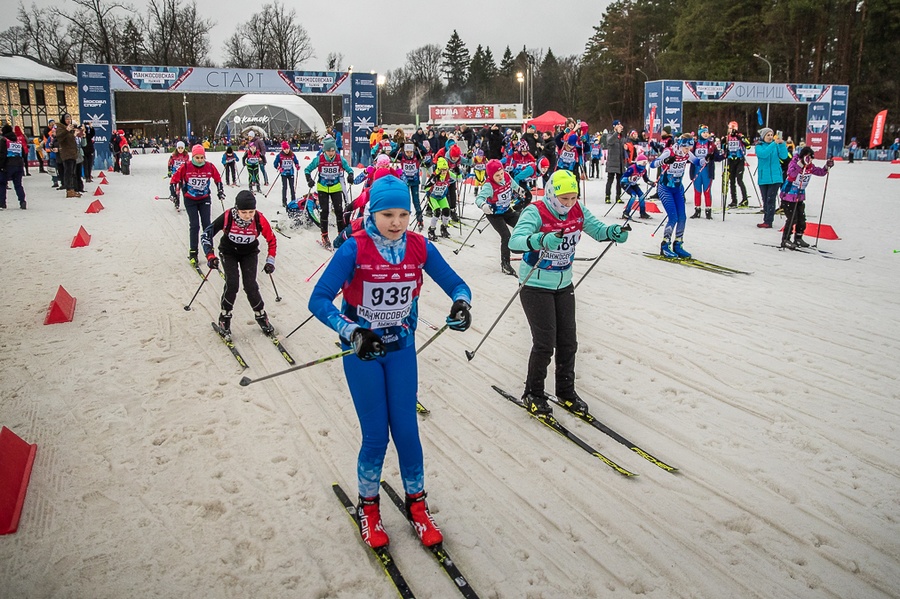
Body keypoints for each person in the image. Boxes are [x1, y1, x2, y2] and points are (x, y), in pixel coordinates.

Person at [308, 175, 472, 549]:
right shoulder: (354, 249)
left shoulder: (419, 246)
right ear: (372, 212)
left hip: (400, 350)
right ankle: (369, 508)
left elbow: (458, 285)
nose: (396, 222)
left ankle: (417, 505)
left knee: (407, 431)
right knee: (376, 436)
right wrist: (352, 332)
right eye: (387, 214)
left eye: (403, 214)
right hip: (363, 352)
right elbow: (318, 300)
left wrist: (461, 304)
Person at [508, 170, 629, 417]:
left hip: (564, 284)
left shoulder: (578, 211)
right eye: (564, 199)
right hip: (535, 285)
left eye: (573, 197)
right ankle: (533, 392)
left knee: (568, 342)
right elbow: (515, 241)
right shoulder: (536, 211)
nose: (569, 204)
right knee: (544, 343)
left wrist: (613, 232)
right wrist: (541, 240)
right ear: (552, 194)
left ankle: (566, 391)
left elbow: (597, 230)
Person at [202, 190, 277, 339]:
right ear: (237, 209)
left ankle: (261, 315)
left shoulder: (259, 219)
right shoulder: (228, 216)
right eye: (244, 212)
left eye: (251, 211)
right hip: (228, 252)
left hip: (249, 253)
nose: (248, 215)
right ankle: (225, 317)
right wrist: (210, 255)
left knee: (250, 285)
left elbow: (272, 240)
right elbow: (206, 234)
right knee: (232, 283)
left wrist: (270, 261)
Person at [650, 134, 704, 258]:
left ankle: (678, 244)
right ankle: (665, 245)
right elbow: (653, 164)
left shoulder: (687, 154)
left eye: (690, 147)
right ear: (680, 145)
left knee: (682, 217)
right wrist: (665, 161)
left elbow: (696, 161)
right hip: (665, 188)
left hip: (678, 189)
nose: (688, 150)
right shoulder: (669, 151)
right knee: (673, 217)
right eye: (686, 147)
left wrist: (705, 159)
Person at [170, 144, 225, 264]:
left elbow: (217, 179)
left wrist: (220, 191)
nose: (200, 160)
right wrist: (174, 194)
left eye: (202, 157)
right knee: (194, 225)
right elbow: (173, 180)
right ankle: (193, 252)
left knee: (207, 225)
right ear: (193, 157)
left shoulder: (209, 166)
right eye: (197, 157)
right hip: (190, 199)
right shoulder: (186, 167)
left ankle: (209, 251)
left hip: (204, 198)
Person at [304, 137, 355, 249]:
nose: (331, 153)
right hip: (322, 188)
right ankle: (325, 236)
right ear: (324, 150)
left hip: (336, 188)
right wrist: (309, 179)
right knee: (324, 211)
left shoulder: (339, 159)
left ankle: (340, 235)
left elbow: (349, 169)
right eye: (328, 151)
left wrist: (350, 175)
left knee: (338, 211)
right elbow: (307, 169)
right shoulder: (319, 159)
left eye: (333, 150)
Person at [476, 159, 524, 276]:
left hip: (506, 210)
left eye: (501, 173)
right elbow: (479, 199)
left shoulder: (506, 176)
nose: (501, 177)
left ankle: (527, 250)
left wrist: (520, 190)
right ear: (491, 176)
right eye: (497, 175)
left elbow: (514, 185)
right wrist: (484, 205)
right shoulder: (489, 185)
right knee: (506, 235)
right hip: (494, 214)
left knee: (523, 224)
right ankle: (505, 264)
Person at [779, 146, 833, 249]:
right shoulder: (794, 163)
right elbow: (791, 174)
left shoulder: (810, 167)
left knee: (801, 218)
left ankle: (798, 238)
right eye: (808, 158)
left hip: (799, 196)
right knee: (792, 219)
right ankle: (785, 239)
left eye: (812, 159)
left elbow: (820, 172)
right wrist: (800, 164)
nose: (810, 161)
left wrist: (827, 167)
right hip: (788, 196)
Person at [754, 127, 789, 229]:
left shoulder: (776, 145)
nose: (770, 137)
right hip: (763, 177)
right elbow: (763, 154)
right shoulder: (759, 146)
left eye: (771, 135)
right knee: (765, 199)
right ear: (763, 137)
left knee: (771, 199)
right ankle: (766, 218)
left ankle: (768, 221)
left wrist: (782, 144)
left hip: (775, 177)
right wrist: (774, 144)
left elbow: (784, 156)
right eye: (767, 135)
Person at [688, 125, 723, 220]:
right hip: (696, 170)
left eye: (707, 132)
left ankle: (708, 211)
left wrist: (722, 155)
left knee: (707, 191)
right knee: (697, 191)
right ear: (699, 133)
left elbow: (718, 157)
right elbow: (689, 156)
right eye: (703, 132)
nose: (705, 134)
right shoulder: (694, 144)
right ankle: (697, 210)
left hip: (707, 171)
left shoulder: (711, 144)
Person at [391, 141, 426, 230]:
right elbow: (392, 154)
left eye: (411, 152)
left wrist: (419, 145)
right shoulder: (401, 156)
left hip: (414, 182)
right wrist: (399, 146)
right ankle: (403, 219)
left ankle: (420, 219)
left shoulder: (416, 156)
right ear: (405, 151)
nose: (409, 154)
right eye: (407, 152)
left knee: (416, 201)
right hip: (405, 182)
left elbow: (425, 151)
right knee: (405, 201)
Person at [422, 157, 453, 240]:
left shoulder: (448, 174)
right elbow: (425, 188)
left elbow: (458, 178)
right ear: (438, 169)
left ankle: (444, 228)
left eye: (445, 170)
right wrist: (431, 183)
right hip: (432, 197)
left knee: (446, 211)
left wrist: (459, 172)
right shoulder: (434, 176)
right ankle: (431, 230)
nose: (443, 172)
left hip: (442, 197)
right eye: (441, 170)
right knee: (437, 212)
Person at [0, 124, 27, 210]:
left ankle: (2, 203)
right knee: (18, 185)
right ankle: (22, 201)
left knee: (2, 184)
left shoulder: (4, 141)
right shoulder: (18, 141)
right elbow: (23, 153)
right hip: (19, 165)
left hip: (7, 165)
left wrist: (1, 166)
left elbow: (2, 155)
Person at [620, 154, 655, 220]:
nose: (644, 164)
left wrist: (651, 183)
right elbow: (622, 179)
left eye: (645, 162)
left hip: (633, 184)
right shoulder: (632, 168)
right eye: (643, 162)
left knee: (642, 196)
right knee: (633, 196)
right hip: (626, 184)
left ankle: (643, 212)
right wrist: (629, 179)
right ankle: (626, 212)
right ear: (639, 162)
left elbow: (646, 179)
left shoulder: (644, 170)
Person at [723, 121, 749, 207]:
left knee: (739, 180)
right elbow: (723, 149)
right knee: (732, 180)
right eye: (730, 128)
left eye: (733, 129)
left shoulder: (740, 136)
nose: (732, 130)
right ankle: (734, 200)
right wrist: (723, 144)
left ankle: (745, 199)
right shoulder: (727, 138)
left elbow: (748, 146)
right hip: (731, 160)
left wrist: (741, 138)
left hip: (739, 160)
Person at [56, 113, 80, 198]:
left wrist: (75, 134)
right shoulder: (61, 128)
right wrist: (66, 130)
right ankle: (69, 190)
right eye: (67, 119)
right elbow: (59, 138)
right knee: (68, 172)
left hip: (72, 153)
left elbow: (70, 140)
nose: (68, 120)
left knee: (72, 173)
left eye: (69, 119)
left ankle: (72, 189)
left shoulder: (70, 129)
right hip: (66, 154)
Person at [603, 121, 626, 203]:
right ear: (614, 126)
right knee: (610, 180)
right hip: (612, 162)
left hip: (620, 163)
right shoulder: (610, 134)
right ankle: (607, 196)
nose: (620, 126)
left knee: (619, 181)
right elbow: (610, 141)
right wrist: (616, 133)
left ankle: (618, 196)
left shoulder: (622, 137)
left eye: (620, 124)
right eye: (618, 125)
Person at [273, 141, 299, 207]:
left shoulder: (292, 155)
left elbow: (296, 161)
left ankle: (293, 200)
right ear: (282, 149)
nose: (286, 150)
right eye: (285, 149)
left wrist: (297, 165)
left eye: (287, 148)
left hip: (291, 173)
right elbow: (275, 164)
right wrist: (279, 168)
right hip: (284, 173)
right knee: (285, 187)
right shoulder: (280, 155)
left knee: (292, 187)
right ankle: (284, 201)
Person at [168, 141, 191, 210]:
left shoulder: (186, 155)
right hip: (176, 173)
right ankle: (176, 202)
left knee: (184, 188)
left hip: (183, 174)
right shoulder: (173, 155)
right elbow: (170, 163)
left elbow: (188, 164)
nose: (180, 149)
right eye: (179, 148)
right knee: (176, 189)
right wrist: (169, 171)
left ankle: (187, 203)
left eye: (182, 148)